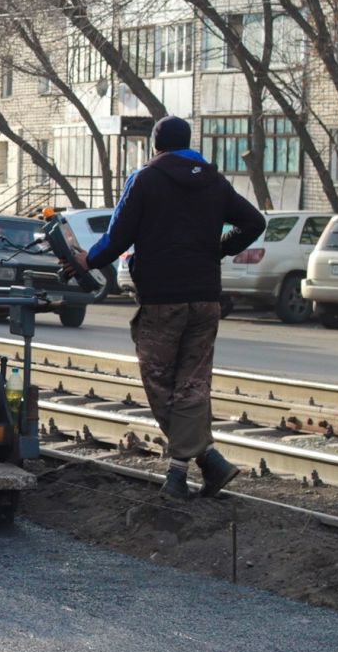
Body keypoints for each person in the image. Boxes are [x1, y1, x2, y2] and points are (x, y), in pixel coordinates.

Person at [74, 116, 266, 500]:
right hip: (206, 298)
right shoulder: (213, 180)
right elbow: (254, 221)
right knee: (193, 384)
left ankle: (183, 473)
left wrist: (87, 261)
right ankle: (205, 464)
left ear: (156, 146)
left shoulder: (146, 178)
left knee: (160, 382)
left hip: (163, 299)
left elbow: (118, 236)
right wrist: (218, 249)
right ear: (189, 142)